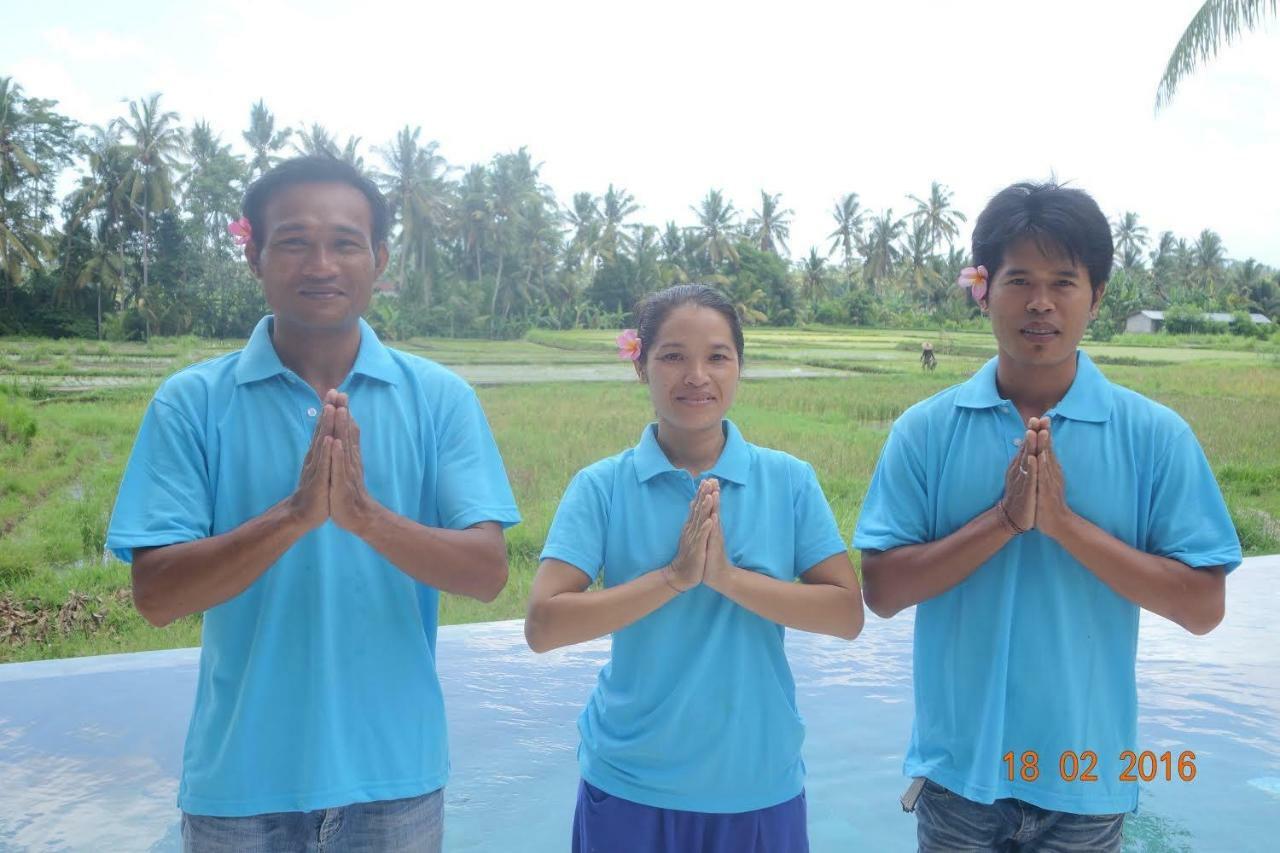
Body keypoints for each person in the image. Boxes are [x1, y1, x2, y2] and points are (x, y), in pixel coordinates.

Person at [106, 156, 520, 852]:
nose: (320, 263)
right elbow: (157, 594)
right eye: (294, 240)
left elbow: (487, 572)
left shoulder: (440, 398)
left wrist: (366, 517)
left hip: (396, 778)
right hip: (240, 784)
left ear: (379, 258)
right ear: (254, 257)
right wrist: (294, 516)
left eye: (345, 242)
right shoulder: (192, 403)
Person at [854, 181, 1242, 852]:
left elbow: (1203, 606)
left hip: (1085, 778)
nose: (1041, 302)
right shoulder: (925, 431)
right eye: (1019, 280)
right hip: (959, 777)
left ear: (1095, 296)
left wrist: (1063, 524)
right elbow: (883, 591)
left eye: (1064, 281)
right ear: (983, 291)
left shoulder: (1155, 436)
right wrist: (1004, 520)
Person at [524, 284, 864, 853]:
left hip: (757, 783)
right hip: (631, 783)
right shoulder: (602, 486)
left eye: (717, 356)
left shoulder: (788, 480)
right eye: (673, 356)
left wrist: (727, 578)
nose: (697, 376)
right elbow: (544, 626)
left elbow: (846, 614)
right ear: (641, 366)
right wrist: (673, 579)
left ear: (739, 366)